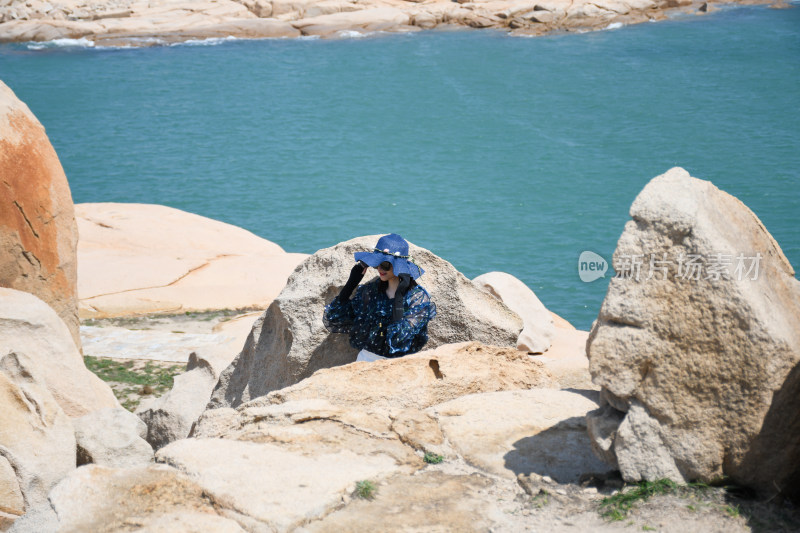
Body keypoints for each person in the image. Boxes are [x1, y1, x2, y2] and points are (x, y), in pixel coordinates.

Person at [323, 233, 437, 362]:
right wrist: (352, 282)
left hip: (400, 365)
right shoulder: (371, 291)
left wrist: (399, 296)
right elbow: (335, 317)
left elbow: (399, 339)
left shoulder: (418, 298)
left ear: (399, 266)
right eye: (377, 264)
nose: (380, 269)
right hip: (365, 360)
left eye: (386, 265)